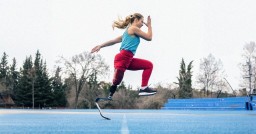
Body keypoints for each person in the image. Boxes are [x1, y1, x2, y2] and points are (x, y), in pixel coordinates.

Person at [91, 13, 156, 100]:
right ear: (136, 20)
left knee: (148, 65)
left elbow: (114, 41)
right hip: (123, 57)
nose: (143, 24)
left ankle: (143, 88)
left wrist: (101, 45)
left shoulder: (127, 32)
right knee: (117, 80)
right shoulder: (133, 28)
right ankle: (112, 91)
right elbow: (149, 37)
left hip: (128, 59)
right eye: (142, 21)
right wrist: (149, 26)